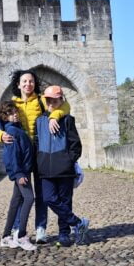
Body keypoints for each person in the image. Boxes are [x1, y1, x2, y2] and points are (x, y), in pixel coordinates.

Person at [0, 69, 70, 244]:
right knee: (22, 194)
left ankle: (40, 228)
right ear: (18, 84)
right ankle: (16, 229)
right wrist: (0, 136)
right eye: (24, 81)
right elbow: (0, 125)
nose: (28, 84)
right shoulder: (11, 104)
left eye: (31, 81)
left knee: (42, 191)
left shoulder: (42, 100)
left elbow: (65, 106)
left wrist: (54, 117)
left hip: (41, 150)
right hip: (21, 152)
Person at [35, 85, 90, 247]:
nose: (51, 102)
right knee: (49, 198)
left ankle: (64, 234)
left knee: (65, 202)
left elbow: (76, 145)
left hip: (65, 170)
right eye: (48, 99)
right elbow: (37, 143)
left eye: (54, 99)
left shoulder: (68, 120)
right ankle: (78, 222)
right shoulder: (40, 121)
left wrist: (68, 160)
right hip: (45, 169)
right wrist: (40, 161)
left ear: (61, 100)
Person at [0, 101, 37, 251]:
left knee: (16, 201)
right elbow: (11, 156)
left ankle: (6, 237)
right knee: (29, 198)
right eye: (11, 113)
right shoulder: (12, 131)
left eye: (15, 112)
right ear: (5, 117)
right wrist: (19, 173)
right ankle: (21, 236)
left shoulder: (16, 129)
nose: (15, 115)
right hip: (21, 172)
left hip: (24, 170)